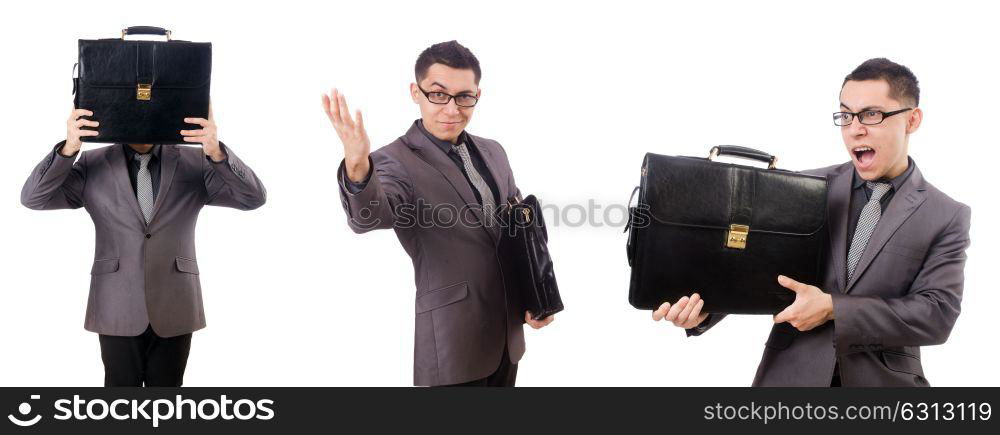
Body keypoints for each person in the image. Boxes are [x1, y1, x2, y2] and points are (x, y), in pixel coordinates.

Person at [653, 58, 971, 387]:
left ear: (912, 120)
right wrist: (706, 310)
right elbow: (757, 272)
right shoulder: (804, 189)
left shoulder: (946, 214)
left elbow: (936, 315)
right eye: (846, 115)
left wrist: (835, 308)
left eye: (871, 115)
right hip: (790, 380)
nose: (855, 128)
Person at [322, 40, 554, 387]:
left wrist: (537, 296)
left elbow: (519, 232)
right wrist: (357, 166)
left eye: (464, 97)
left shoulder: (494, 152)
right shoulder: (394, 160)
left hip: (508, 336)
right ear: (415, 92)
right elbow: (369, 218)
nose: (452, 109)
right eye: (439, 94)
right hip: (452, 341)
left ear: (478, 94)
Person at [20, 106, 267, 386]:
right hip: (116, 302)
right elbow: (34, 198)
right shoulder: (92, 163)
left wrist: (216, 151)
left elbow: (253, 198)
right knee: (120, 399)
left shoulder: (194, 161)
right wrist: (68, 148)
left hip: (175, 300)